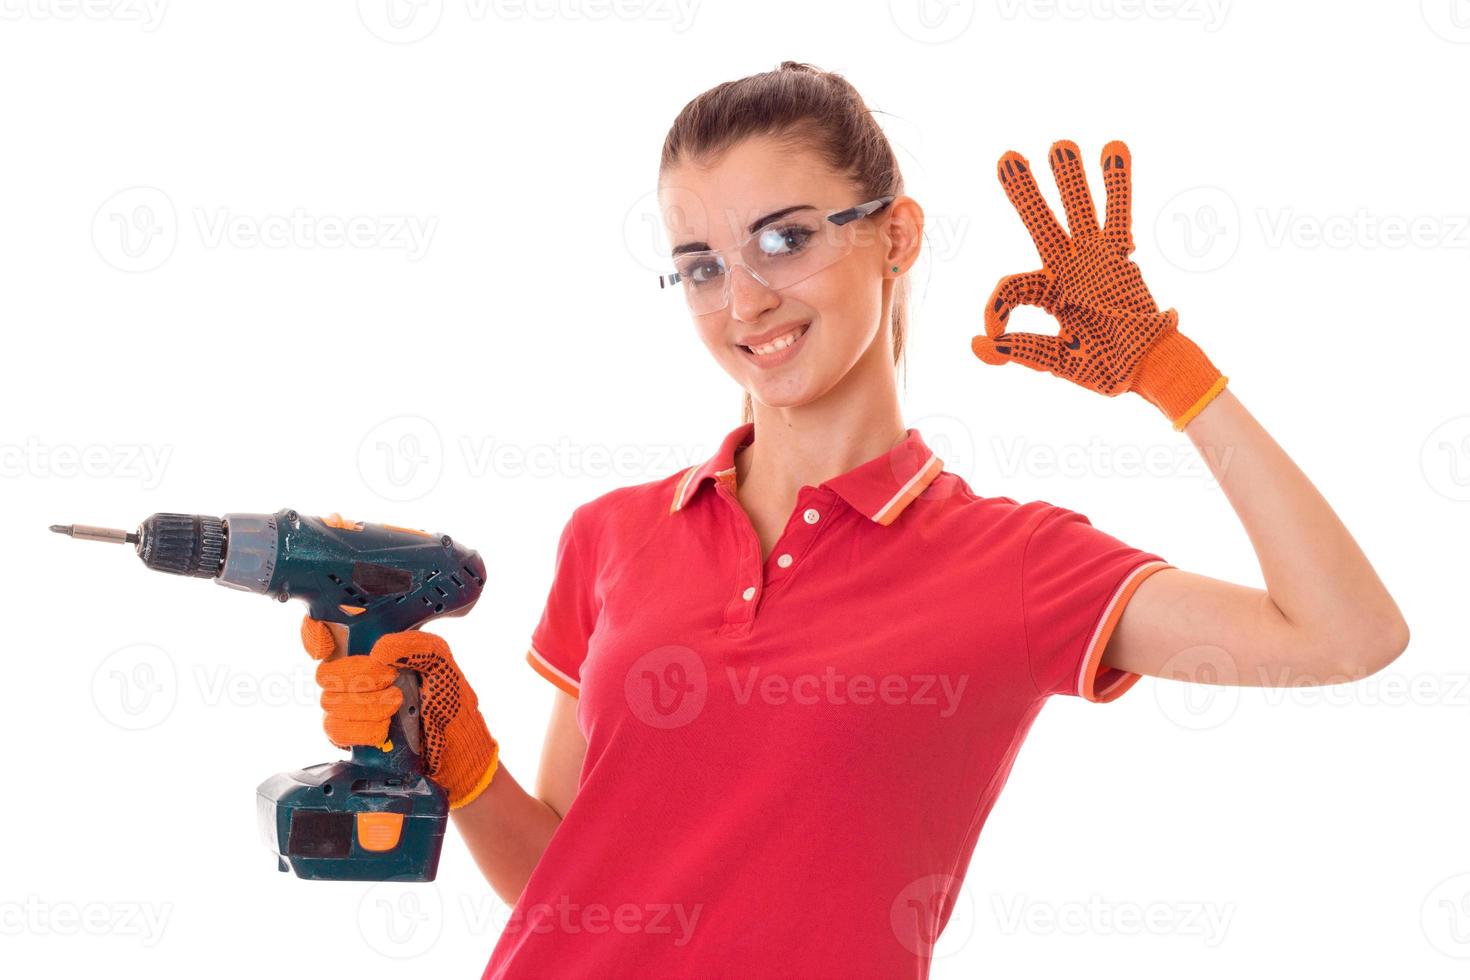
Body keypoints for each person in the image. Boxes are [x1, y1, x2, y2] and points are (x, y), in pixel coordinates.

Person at [302, 61, 1410, 978]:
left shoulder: (1012, 563)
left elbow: (1345, 634)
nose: (744, 303)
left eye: (785, 239)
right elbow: (567, 885)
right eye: (699, 266)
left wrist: (1173, 376)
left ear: (899, 236)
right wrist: (463, 754)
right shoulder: (615, 533)